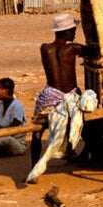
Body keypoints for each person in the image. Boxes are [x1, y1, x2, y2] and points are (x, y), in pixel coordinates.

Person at [31, 13, 85, 165]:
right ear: (66, 32)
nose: (74, 33)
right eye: (73, 30)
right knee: (79, 96)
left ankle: (34, 165)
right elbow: (93, 52)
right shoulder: (73, 48)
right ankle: (71, 147)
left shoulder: (44, 48)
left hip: (49, 96)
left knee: (37, 131)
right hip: (68, 96)